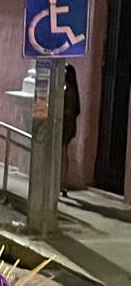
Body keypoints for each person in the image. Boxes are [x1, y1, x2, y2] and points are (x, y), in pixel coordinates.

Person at [62, 63, 80, 196]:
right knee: (64, 154)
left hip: (63, 124)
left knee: (61, 155)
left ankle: (60, 183)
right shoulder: (74, 90)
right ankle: (62, 183)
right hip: (70, 125)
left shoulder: (66, 89)